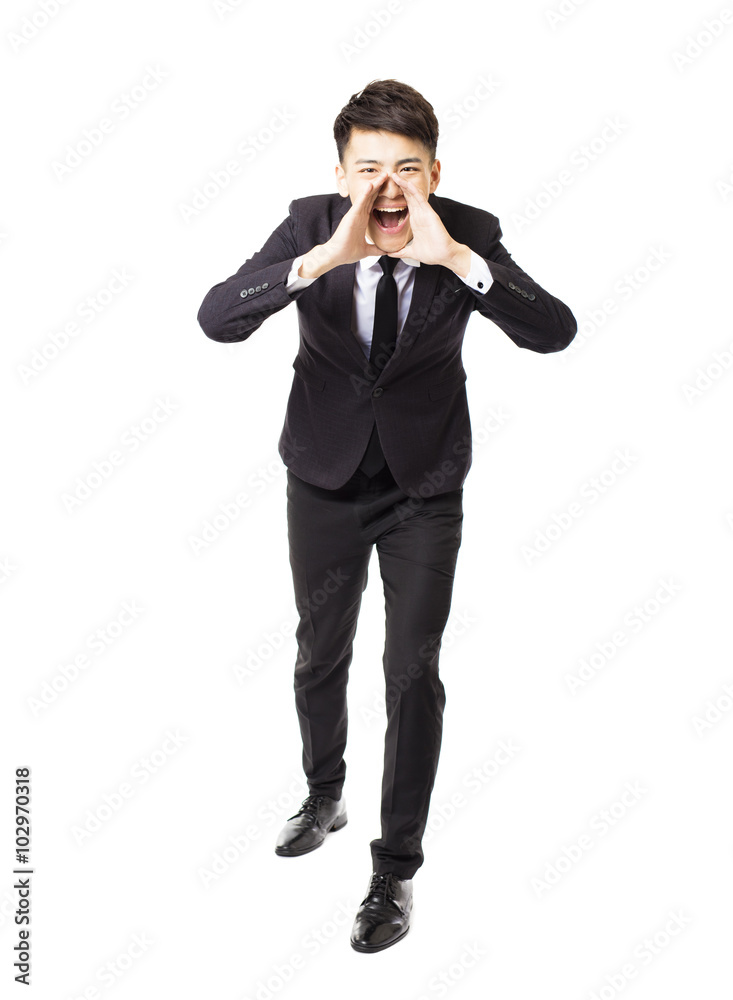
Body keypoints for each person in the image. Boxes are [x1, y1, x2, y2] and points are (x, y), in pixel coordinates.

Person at [197, 78, 577, 953]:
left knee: (412, 669)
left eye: (407, 168)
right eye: (368, 168)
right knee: (317, 649)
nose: (388, 186)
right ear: (341, 173)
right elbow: (217, 320)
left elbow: (552, 331)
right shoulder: (307, 224)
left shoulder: (467, 234)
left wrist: (455, 261)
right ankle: (323, 793)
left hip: (423, 488)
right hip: (324, 478)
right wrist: (324, 257)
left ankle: (393, 867)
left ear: (434, 172)